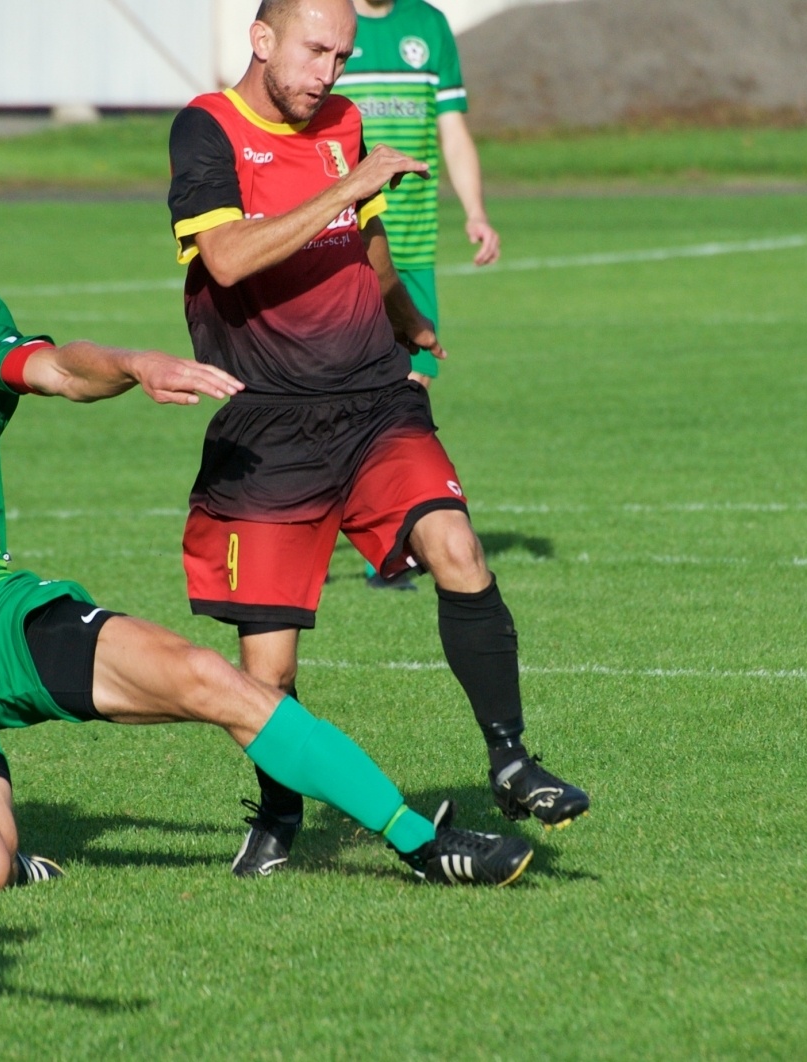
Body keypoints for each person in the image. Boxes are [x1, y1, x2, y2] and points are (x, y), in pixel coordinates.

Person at [0, 154, 536, 903]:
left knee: (209, 677)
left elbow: (48, 368)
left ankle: (424, 843)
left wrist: (130, 364)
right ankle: (12, 856)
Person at [167, 0, 588, 880]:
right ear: (262, 40)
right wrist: (343, 186)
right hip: (269, 425)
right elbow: (229, 261)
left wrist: (404, 314)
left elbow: (366, 235)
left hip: (373, 401)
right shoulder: (206, 130)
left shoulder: (343, 122)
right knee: (268, 679)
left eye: (342, 55)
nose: (329, 72)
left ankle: (509, 760)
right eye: (316, 50)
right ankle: (280, 813)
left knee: (458, 547)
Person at [340, 0, 500, 590]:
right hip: (348, 240)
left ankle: (381, 546)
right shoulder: (331, 23)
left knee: (411, 387)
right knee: (351, 390)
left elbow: (452, 130)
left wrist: (476, 212)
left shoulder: (428, 26)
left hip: (415, 244)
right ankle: (337, 523)